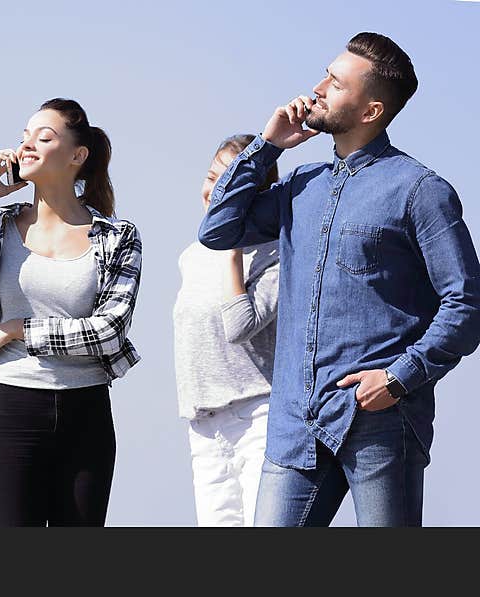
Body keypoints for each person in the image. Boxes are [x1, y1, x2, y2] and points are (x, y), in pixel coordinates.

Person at [199, 32, 480, 526]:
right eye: (325, 74)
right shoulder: (299, 186)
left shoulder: (420, 191)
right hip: (295, 425)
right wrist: (266, 147)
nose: (318, 88)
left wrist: (398, 378)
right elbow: (218, 230)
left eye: (335, 82)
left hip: (379, 422)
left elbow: (466, 305)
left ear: (370, 111)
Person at [0, 98, 142, 527]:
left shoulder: (118, 237)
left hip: (87, 412)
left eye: (43, 137)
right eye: (23, 136)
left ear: (77, 156)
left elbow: (108, 332)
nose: (26, 145)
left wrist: (18, 328)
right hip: (10, 407)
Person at [173, 134, 279, 526]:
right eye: (211, 177)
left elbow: (239, 327)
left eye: (228, 183)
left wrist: (231, 250)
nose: (213, 191)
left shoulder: (278, 255)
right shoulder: (191, 255)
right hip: (203, 418)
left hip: (258, 413)